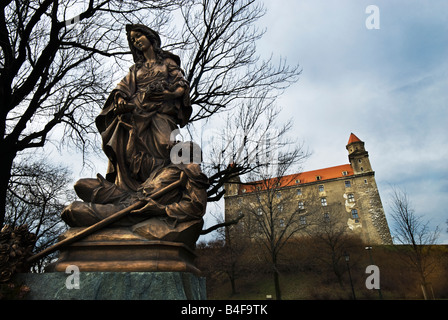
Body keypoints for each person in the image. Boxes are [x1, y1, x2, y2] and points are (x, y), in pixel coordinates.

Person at [95, 24, 192, 192]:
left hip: (161, 113)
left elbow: (181, 85)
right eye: (133, 40)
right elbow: (122, 88)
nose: (136, 41)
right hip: (137, 112)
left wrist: (169, 95)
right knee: (129, 151)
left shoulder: (168, 62)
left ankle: (164, 187)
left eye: (138, 36)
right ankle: (134, 190)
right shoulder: (136, 69)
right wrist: (119, 99)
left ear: (150, 37)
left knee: (165, 146)